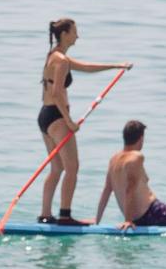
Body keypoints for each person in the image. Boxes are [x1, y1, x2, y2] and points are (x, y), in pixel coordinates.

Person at [38, 18, 132, 226]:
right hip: (57, 117)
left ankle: (45, 214)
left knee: (56, 168)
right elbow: (56, 93)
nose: (77, 36)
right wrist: (69, 121)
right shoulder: (61, 60)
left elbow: (87, 67)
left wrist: (116, 66)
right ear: (64, 34)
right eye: (74, 32)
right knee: (72, 167)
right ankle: (64, 215)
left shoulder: (55, 56)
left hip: (45, 116)